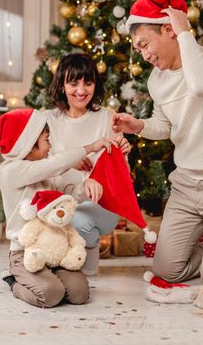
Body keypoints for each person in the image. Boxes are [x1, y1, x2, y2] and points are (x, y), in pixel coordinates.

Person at [112, 0, 203, 284]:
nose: (143, 55)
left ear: (168, 30)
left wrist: (184, 30)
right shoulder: (156, 80)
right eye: (138, 49)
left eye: (144, 44)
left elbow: (202, 85)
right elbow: (164, 126)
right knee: (167, 271)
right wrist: (137, 125)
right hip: (186, 186)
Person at [0, 108, 116, 308]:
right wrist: (90, 147)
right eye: (47, 140)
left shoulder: (47, 170)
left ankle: (49, 276)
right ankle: (13, 281)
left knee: (79, 294)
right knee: (50, 295)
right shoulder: (11, 170)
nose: (50, 145)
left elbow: (67, 194)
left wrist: (84, 187)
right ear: (28, 142)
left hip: (55, 249)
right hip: (26, 253)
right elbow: (53, 164)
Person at [47, 53, 131, 276]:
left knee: (78, 220)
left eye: (88, 82)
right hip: (60, 199)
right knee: (68, 217)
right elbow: (42, 169)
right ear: (62, 86)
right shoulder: (49, 121)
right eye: (73, 83)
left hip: (101, 204)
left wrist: (123, 156)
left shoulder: (107, 118)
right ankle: (85, 250)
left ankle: (88, 244)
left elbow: (122, 178)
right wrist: (70, 161)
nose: (81, 90)